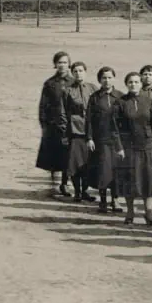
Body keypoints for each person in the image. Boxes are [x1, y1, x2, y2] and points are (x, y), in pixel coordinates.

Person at [112, 72, 152, 226]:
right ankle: (130, 213)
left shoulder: (148, 102)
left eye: (136, 82)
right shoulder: (120, 103)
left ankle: (149, 213)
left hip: (147, 145)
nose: (133, 84)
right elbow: (114, 128)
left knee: (148, 180)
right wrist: (119, 147)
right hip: (129, 148)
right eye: (130, 82)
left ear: (141, 84)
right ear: (126, 84)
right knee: (130, 181)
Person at [36, 51, 74, 198]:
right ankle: (53, 182)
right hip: (53, 123)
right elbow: (43, 105)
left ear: (69, 64)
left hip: (69, 125)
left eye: (65, 62)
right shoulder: (50, 83)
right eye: (59, 62)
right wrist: (44, 123)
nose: (62, 65)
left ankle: (65, 183)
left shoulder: (73, 82)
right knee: (53, 154)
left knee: (67, 155)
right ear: (55, 64)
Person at [88, 66, 122, 213]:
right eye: (104, 78)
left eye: (109, 77)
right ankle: (102, 201)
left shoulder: (120, 96)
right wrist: (89, 138)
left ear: (114, 79)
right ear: (100, 80)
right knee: (103, 170)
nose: (107, 81)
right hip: (101, 139)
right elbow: (88, 120)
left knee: (117, 170)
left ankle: (115, 199)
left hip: (117, 141)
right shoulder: (94, 98)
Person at [62, 62, 96, 202]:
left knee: (89, 163)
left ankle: (85, 191)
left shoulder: (93, 88)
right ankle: (77, 191)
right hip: (75, 132)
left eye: (81, 70)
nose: (78, 73)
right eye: (75, 71)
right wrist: (65, 134)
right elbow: (63, 113)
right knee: (76, 163)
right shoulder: (68, 91)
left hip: (92, 132)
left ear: (86, 72)